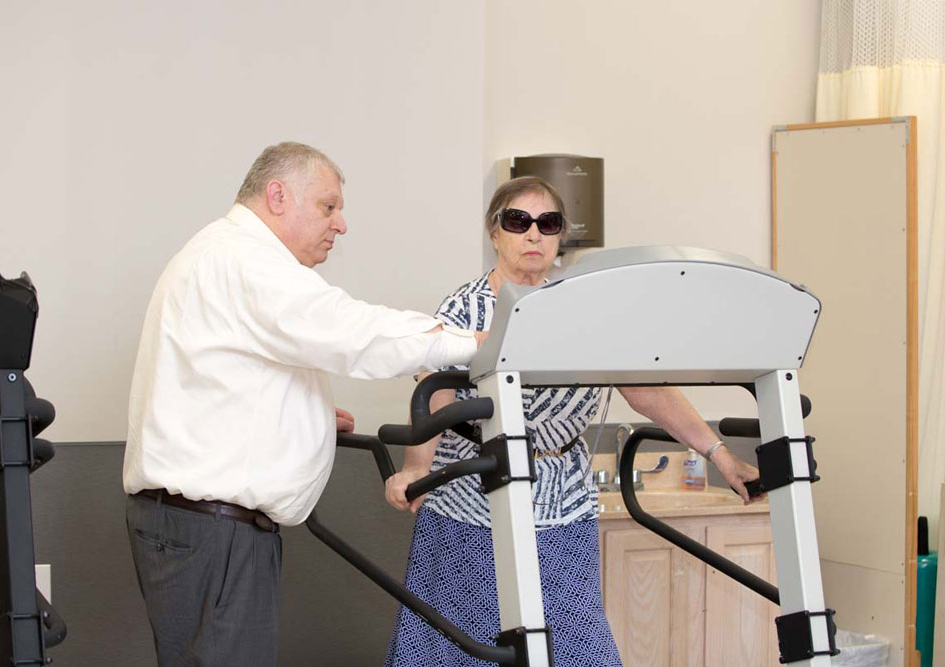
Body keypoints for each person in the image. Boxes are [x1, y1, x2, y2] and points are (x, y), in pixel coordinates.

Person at [123, 141, 484, 666]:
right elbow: (352, 331)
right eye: (328, 206)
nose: (341, 224)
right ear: (277, 196)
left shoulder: (215, 253)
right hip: (215, 533)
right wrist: (474, 342)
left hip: (194, 528)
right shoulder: (245, 260)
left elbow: (223, 376)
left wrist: (305, 418)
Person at [383, 176, 760, 667]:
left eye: (548, 223)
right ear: (494, 232)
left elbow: (648, 389)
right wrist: (417, 470)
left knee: (577, 647)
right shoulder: (466, 306)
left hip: (562, 502)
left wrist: (720, 454)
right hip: (474, 502)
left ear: (561, 236)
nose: (533, 234)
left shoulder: (582, 305)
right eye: (518, 221)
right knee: (463, 648)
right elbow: (435, 392)